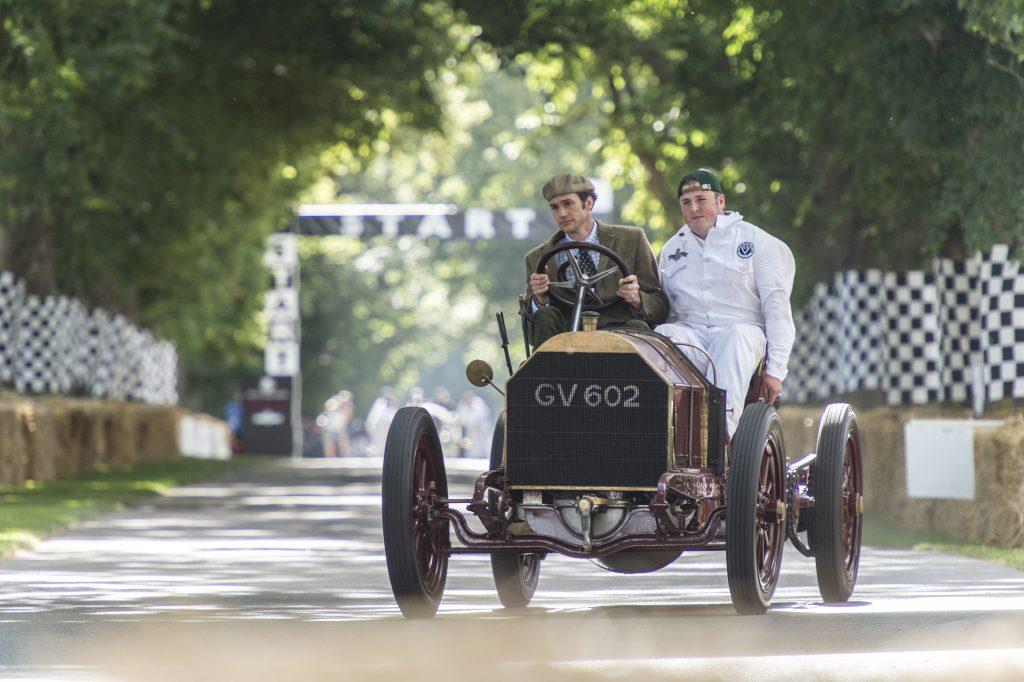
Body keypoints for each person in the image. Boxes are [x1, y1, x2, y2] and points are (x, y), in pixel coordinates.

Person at [654, 168, 795, 438]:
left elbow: (777, 311)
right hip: (693, 336)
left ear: (721, 201)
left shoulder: (757, 242)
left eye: (701, 199)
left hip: (743, 333)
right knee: (663, 337)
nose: (694, 208)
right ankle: (668, 438)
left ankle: (720, 442)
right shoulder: (672, 249)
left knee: (735, 338)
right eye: (686, 202)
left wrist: (775, 371)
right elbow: (669, 312)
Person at [524, 172, 668, 347]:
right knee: (545, 316)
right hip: (566, 343)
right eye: (554, 207)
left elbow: (660, 306)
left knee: (638, 329)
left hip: (621, 338)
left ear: (589, 203)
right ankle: (551, 374)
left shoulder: (632, 240)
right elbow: (531, 331)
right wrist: (539, 299)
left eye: (568, 204)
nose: (561, 213)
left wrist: (637, 298)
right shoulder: (538, 258)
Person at [366, 387, 399, 456]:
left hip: (387, 433)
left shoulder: (392, 407)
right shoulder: (380, 405)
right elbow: (375, 421)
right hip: (379, 433)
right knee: (378, 450)